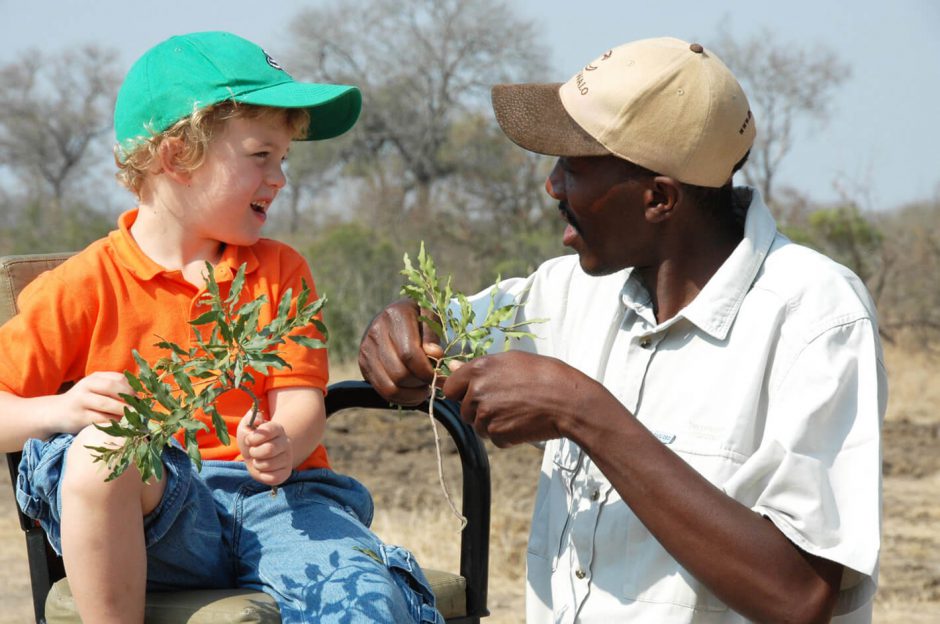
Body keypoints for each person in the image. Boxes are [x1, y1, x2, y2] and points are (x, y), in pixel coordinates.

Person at [359, 36, 885, 623]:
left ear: (659, 197)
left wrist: (583, 413)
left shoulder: (815, 317)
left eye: (574, 168)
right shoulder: (568, 291)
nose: (552, 186)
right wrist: (399, 330)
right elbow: (434, 326)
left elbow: (797, 597)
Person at [1, 31, 442, 624]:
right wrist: (58, 412)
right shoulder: (84, 286)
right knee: (101, 450)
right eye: (261, 155)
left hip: (284, 506)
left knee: (366, 598)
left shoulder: (280, 272)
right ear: (177, 155)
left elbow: (302, 403)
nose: (280, 177)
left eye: (283, 159)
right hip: (164, 522)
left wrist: (283, 442)